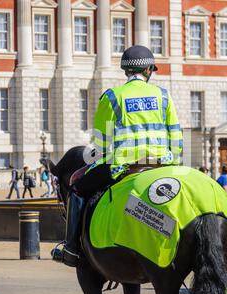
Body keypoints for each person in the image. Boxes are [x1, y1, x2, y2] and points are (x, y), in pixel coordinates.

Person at [52, 45, 183, 267]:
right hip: (163, 166)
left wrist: (87, 167)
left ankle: (72, 250)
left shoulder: (112, 97)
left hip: (123, 167)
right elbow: (176, 139)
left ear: (126, 71)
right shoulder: (163, 96)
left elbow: (101, 145)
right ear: (149, 70)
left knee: (76, 188)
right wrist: (172, 162)